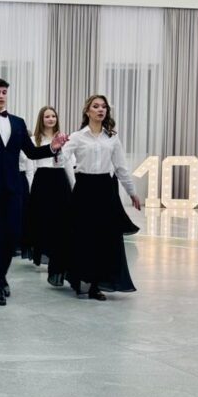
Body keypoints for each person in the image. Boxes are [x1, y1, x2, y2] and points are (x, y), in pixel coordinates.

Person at [0, 78, 66, 306]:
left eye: (4, 92)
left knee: (13, 235)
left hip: (13, 189)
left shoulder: (18, 123)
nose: (1, 96)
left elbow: (32, 152)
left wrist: (52, 148)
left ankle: (1, 275)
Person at [59, 95, 141, 300]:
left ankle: (95, 285)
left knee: (103, 238)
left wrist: (132, 192)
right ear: (87, 111)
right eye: (95, 106)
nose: (100, 110)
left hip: (105, 190)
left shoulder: (112, 137)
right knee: (82, 236)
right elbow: (61, 160)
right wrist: (57, 148)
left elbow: (121, 167)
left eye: (103, 107)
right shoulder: (77, 137)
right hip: (84, 189)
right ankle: (80, 280)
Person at [24, 106, 74, 285]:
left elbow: (68, 165)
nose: (51, 119)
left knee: (61, 221)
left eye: (53, 116)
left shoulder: (64, 139)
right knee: (43, 221)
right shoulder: (34, 140)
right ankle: (44, 253)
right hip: (42, 182)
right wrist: (31, 189)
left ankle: (57, 257)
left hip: (60, 181)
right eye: (47, 116)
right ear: (41, 119)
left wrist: (74, 186)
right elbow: (31, 167)